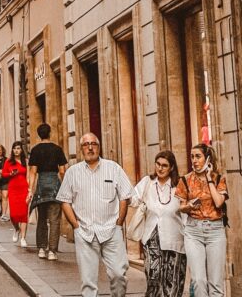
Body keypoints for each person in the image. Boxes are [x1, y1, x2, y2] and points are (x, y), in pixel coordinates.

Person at [57, 133, 133, 297]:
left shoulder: (113, 168)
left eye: (94, 144)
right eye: (86, 144)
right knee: (88, 283)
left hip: (111, 231)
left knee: (119, 275)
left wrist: (119, 224)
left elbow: (125, 196)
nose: (90, 147)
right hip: (85, 232)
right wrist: (76, 226)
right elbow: (64, 200)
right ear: (81, 149)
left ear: (99, 147)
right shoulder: (72, 172)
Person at [176, 143, 228, 297]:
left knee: (216, 284)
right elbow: (181, 207)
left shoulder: (219, 179)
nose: (194, 160)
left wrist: (209, 179)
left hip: (215, 232)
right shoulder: (185, 180)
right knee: (198, 281)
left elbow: (219, 202)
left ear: (208, 158)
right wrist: (189, 206)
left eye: (198, 156)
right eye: (192, 156)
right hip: (193, 231)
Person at [132, 150, 186, 297]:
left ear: (172, 168)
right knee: (153, 279)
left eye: (164, 165)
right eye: (158, 164)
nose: (160, 168)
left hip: (175, 240)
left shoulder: (179, 185)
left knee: (173, 282)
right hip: (152, 238)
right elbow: (133, 198)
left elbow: (186, 212)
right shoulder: (147, 182)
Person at [27, 123, 67, 260]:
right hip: (55, 184)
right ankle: (52, 251)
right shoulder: (57, 149)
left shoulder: (35, 150)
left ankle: (42, 249)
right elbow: (62, 170)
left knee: (42, 219)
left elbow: (33, 171)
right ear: (50, 133)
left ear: (39, 134)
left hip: (42, 185)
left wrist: (30, 190)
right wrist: (65, 186)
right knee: (55, 220)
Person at [3, 140, 30, 247]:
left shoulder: (26, 161)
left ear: (22, 150)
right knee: (13, 215)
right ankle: (16, 229)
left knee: (23, 214)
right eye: (14, 148)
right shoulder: (9, 161)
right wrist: (10, 173)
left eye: (18, 148)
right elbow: (4, 174)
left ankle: (23, 238)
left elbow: (28, 176)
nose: (16, 151)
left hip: (23, 189)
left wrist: (29, 190)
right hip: (13, 189)